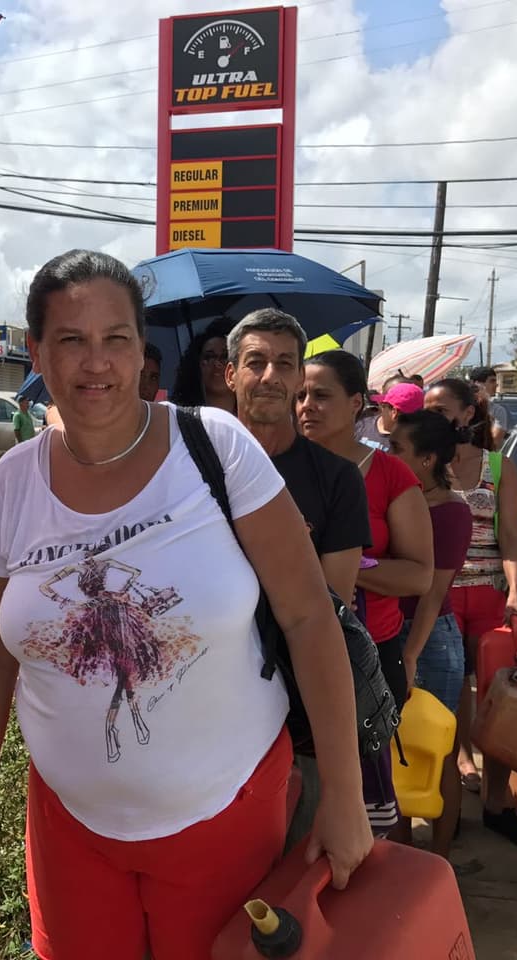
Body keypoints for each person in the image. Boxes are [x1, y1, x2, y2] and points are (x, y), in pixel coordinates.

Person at [0, 250, 371, 960]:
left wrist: (345, 795)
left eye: (115, 338)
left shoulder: (216, 447)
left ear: (141, 350)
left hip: (228, 818)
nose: (96, 363)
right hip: (69, 829)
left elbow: (307, 617)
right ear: (37, 353)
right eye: (71, 340)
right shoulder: (13, 484)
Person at [226, 308, 372, 852]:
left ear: (297, 378)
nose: (270, 376)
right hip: (205, 706)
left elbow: (331, 607)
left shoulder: (336, 480)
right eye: (255, 362)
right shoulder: (192, 467)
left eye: (285, 363)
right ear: (231, 374)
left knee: (293, 866)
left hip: (296, 715)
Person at [298, 350, 433, 836]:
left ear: (357, 403)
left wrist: (343, 565)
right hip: (291, 657)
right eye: (300, 395)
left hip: (366, 659)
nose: (306, 406)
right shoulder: (271, 469)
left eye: (321, 395)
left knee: (357, 808)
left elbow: (419, 576)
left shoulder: (390, 475)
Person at [424, 377, 517, 849]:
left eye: (441, 408)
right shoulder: (422, 463)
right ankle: (447, 798)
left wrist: (516, 593)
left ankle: (495, 802)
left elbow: (509, 535)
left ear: (468, 413)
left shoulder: (498, 466)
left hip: (490, 595)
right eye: (427, 408)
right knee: (446, 699)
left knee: (498, 700)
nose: (432, 416)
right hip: (441, 597)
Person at [387, 410, 472, 859]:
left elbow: (432, 594)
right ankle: (402, 854)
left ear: (427, 459)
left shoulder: (452, 513)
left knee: (438, 751)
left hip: (430, 641)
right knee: (396, 747)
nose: (388, 454)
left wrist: (410, 655)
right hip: (396, 634)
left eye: (397, 448)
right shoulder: (404, 500)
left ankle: (440, 859)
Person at [170, 317, 236, 414]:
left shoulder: (254, 417)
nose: (217, 363)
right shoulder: (179, 417)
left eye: (225, 356)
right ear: (196, 366)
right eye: (209, 357)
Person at [356, 377, 423, 451]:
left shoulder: (410, 447)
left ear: (394, 412)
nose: (379, 404)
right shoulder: (360, 425)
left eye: (383, 404)